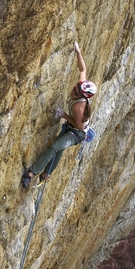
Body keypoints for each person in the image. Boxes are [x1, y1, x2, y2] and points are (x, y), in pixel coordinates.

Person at [21, 42, 97, 188]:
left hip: (77, 133)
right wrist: (78, 52)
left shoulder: (78, 108)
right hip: (73, 126)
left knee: (55, 147)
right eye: (75, 88)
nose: (73, 91)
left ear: (82, 96)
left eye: (76, 92)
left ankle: (31, 173)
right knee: (59, 149)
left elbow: (80, 126)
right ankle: (46, 174)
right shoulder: (81, 86)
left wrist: (65, 116)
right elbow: (83, 69)